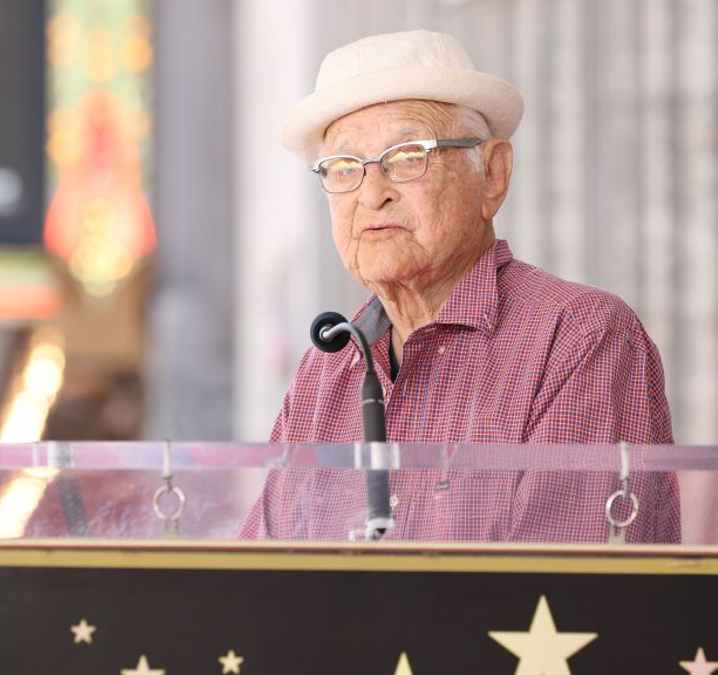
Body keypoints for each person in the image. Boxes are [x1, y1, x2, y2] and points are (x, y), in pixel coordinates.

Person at [241, 29, 678, 543]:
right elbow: (258, 582)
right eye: (344, 168)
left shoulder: (578, 338)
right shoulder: (328, 368)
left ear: (493, 174)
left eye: (406, 157)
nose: (371, 193)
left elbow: (558, 594)